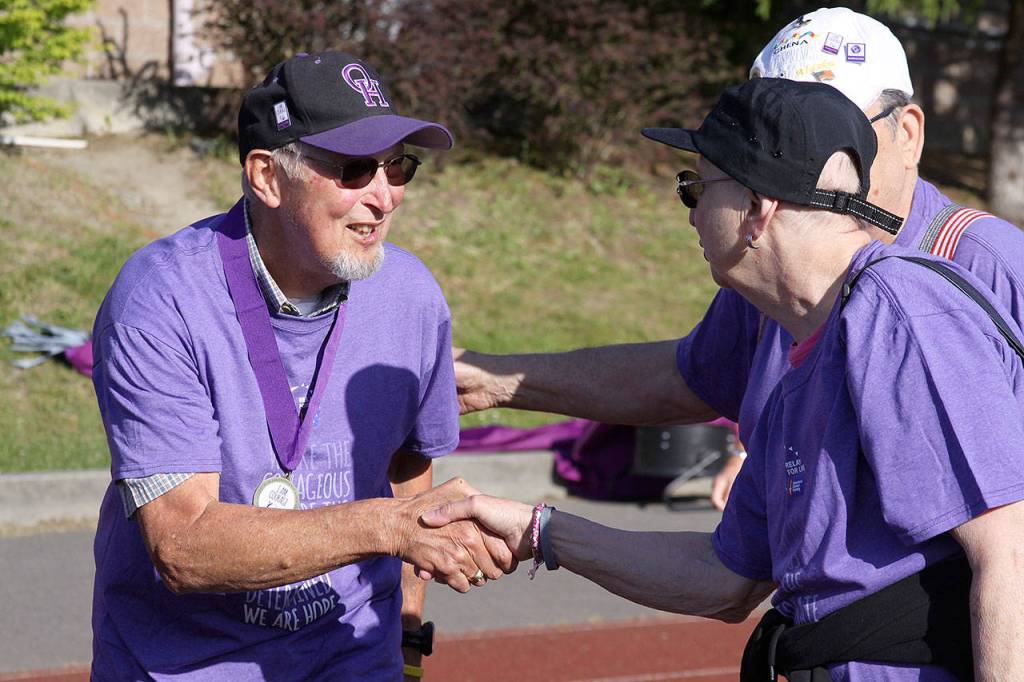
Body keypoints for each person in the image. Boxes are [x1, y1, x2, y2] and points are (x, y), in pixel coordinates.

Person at [428, 77, 1024, 680]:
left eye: (695, 188)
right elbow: (724, 578)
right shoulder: (797, 345)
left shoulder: (900, 310)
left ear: (759, 208)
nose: (689, 214)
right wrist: (539, 531)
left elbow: (1009, 555)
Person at [453, 7, 1024, 511]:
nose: (804, 152)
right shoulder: (778, 256)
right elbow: (689, 378)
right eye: (781, 129)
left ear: (909, 134)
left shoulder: (988, 264)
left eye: (837, 128)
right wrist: (496, 379)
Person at [89, 51, 513, 680]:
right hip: (185, 665)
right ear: (266, 176)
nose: (385, 196)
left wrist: (408, 638)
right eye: (353, 169)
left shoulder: (410, 294)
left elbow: (407, 464)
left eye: (399, 167)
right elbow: (183, 547)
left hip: (353, 657)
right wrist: (388, 527)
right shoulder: (160, 296)